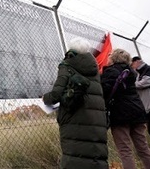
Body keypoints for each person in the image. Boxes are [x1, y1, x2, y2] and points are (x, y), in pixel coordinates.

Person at [43, 37, 108, 169]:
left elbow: (55, 95)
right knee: (95, 157)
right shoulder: (94, 67)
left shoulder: (67, 65)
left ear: (71, 49)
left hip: (75, 119)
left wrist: (44, 98)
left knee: (75, 157)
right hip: (97, 120)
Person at [101, 49, 150, 169]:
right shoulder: (132, 73)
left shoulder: (110, 72)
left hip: (120, 114)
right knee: (143, 148)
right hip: (138, 112)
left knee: (125, 151)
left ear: (113, 58)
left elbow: (104, 91)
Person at [131, 56, 150, 139]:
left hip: (149, 105)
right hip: (146, 106)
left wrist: (131, 85)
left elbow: (146, 82)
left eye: (132, 64)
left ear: (137, 62)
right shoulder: (139, 73)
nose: (132, 66)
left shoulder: (148, 69)